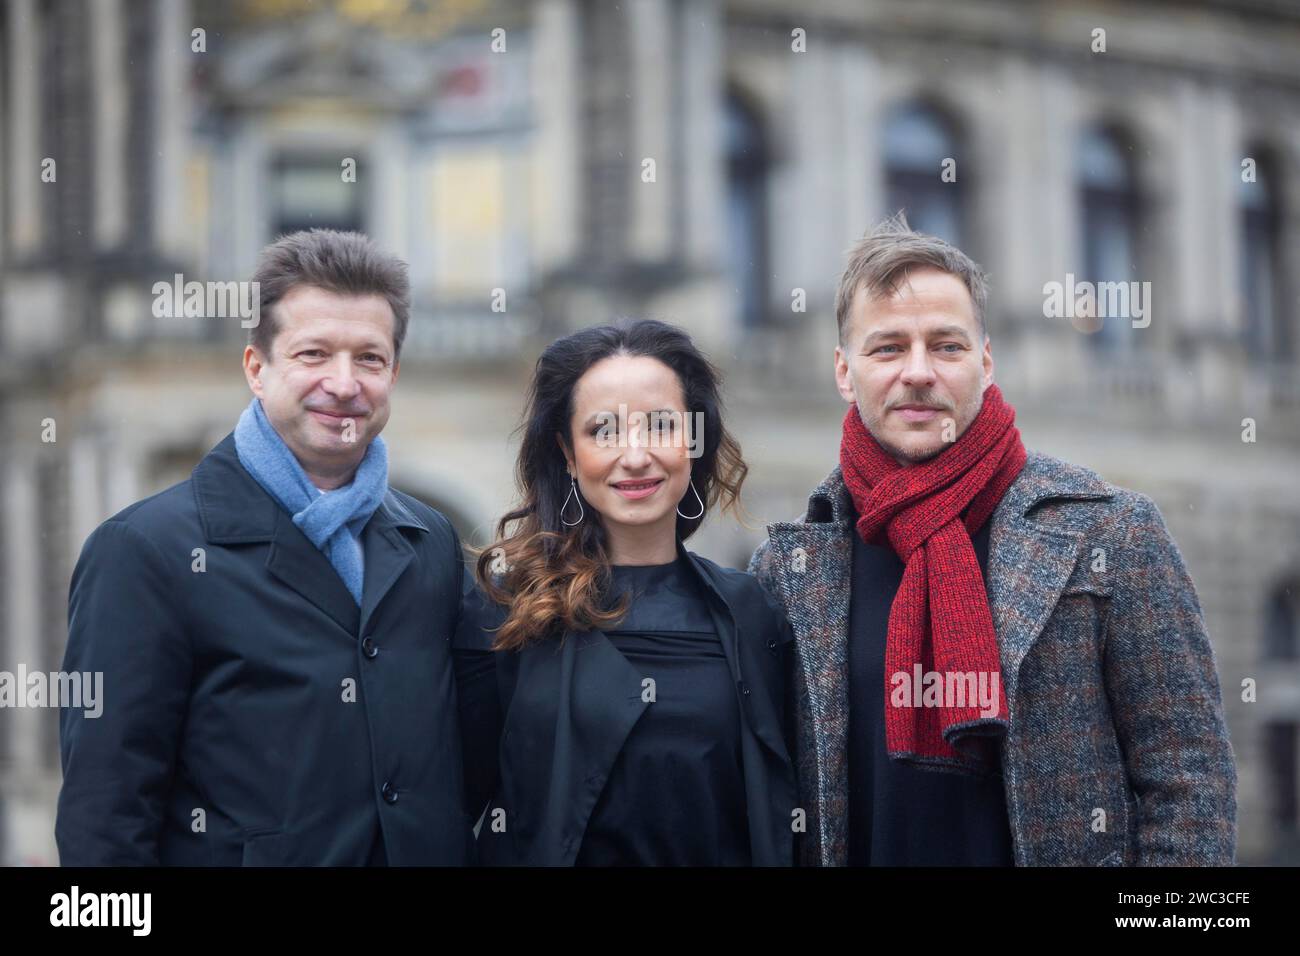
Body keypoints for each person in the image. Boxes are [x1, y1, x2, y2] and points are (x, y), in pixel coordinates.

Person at [749, 212, 1237, 866]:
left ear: (984, 362)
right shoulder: (789, 567)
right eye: (888, 347)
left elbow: (1188, 778)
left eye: (946, 346)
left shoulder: (1110, 531)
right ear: (845, 371)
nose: (918, 372)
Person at [57, 229, 481, 865]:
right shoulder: (143, 551)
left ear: (392, 372)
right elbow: (105, 818)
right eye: (313, 354)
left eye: (369, 358)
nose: (344, 384)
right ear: (257, 368)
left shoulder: (432, 542)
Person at [456, 319, 798, 865]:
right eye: (604, 431)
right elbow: (449, 800)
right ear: (568, 453)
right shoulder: (507, 606)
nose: (635, 456)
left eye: (661, 426)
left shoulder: (754, 614)